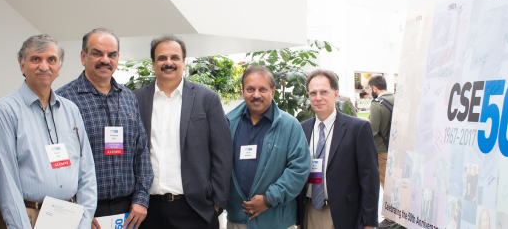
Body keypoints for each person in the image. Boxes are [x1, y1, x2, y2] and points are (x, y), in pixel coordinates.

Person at [0, 34, 97, 229]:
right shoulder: (5, 111)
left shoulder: (71, 110)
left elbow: (86, 169)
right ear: (22, 64)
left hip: (71, 214)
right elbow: (6, 182)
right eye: (35, 59)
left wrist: (85, 218)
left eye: (51, 60)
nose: (44, 66)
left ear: (59, 66)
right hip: (28, 217)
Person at [56, 28, 153, 229]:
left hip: (129, 211)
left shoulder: (128, 97)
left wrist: (141, 199)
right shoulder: (63, 100)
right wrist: (76, 208)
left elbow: (141, 151)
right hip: (86, 211)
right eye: (97, 53)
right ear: (83, 57)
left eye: (112, 55)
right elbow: (58, 160)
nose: (105, 60)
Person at [133, 35, 233, 229]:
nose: (168, 63)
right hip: (147, 211)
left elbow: (223, 152)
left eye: (174, 57)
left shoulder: (207, 99)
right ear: (153, 64)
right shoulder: (136, 99)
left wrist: (217, 203)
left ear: (184, 62)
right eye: (162, 58)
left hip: (195, 210)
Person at [225, 66, 310, 229]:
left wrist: (269, 199)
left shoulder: (289, 125)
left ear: (273, 91)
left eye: (262, 89)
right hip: (237, 220)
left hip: (275, 220)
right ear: (242, 91)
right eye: (250, 89)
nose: (256, 95)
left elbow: (299, 168)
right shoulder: (228, 123)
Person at [296, 69, 379, 229]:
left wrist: (369, 223)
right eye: (313, 93)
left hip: (344, 214)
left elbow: (370, 179)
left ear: (335, 94)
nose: (318, 98)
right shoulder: (302, 129)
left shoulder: (358, 128)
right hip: (309, 211)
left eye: (324, 92)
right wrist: (299, 220)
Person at [367, 75, 395, 228]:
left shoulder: (377, 104)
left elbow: (373, 130)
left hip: (381, 150)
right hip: (397, 149)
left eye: (370, 89)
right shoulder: (397, 98)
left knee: (386, 185)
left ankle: (391, 219)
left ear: (374, 88)